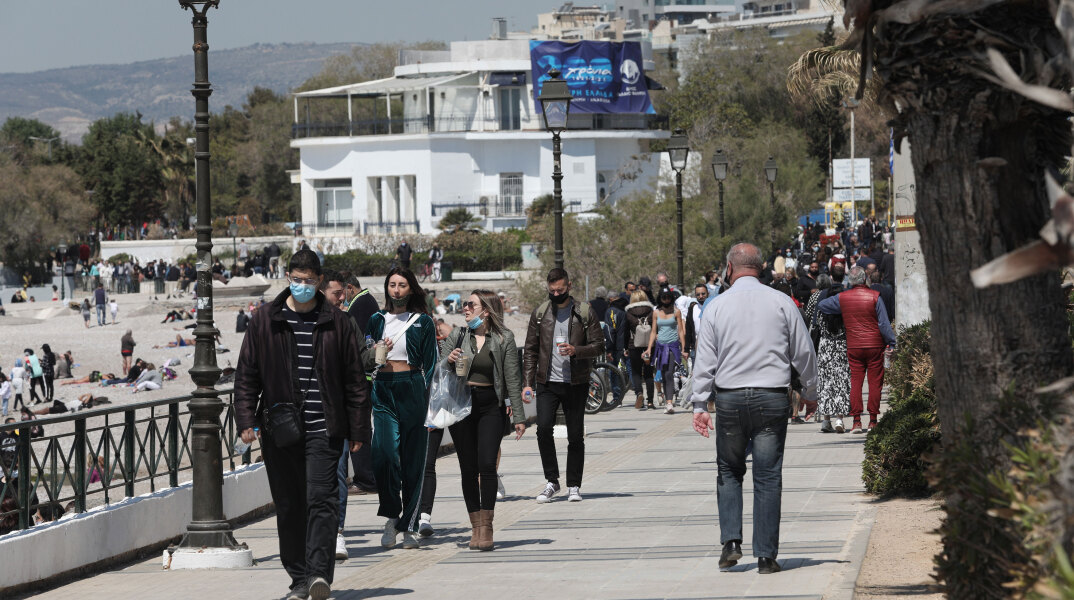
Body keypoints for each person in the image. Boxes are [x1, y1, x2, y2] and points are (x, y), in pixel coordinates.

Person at [234, 247, 370, 600]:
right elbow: (247, 373)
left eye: (309, 281)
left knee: (321, 501)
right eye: (296, 280)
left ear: (320, 281)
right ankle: (298, 577)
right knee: (290, 503)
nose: (302, 286)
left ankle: (318, 575)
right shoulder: (265, 319)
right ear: (288, 278)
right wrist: (246, 417)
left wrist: (358, 428)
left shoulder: (338, 322)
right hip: (281, 429)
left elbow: (355, 380)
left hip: (326, 429)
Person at [690, 243, 818, 574]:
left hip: (730, 399)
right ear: (760, 268)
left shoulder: (716, 306)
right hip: (772, 398)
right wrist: (810, 392)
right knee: (768, 474)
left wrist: (699, 403)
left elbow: (705, 360)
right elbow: (803, 352)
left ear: (730, 269)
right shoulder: (782, 303)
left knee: (729, 470)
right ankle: (766, 556)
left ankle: (731, 542)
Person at [441, 290, 528, 550]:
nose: (465, 308)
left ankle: (488, 526)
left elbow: (513, 377)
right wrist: (449, 359)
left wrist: (519, 417)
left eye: (471, 305)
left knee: (487, 465)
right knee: (468, 468)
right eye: (465, 304)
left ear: (486, 311)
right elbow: (439, 366)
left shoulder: (504, 338)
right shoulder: (458, 335)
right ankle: (475, 527)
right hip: (462, 405)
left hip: (491, 405)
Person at [364, 267, 437, 549]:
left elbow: (431, 365)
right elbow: (366, 356)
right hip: (383, 387)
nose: (396, 290)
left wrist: (429, 403)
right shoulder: (375, 319)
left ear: (411, 289)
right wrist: (377, 351)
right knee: (383, 454)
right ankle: (391, 516)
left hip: (412, 387)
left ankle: (409, 525)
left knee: (413, 459)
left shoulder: (423, 322)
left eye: (402, 285)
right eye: (392, 284)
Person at [522, 268, 604, 504]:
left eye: (560, 289)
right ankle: (552, 481)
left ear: (569, 285)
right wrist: (527, 383)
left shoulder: (584, 312)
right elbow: (530, 350)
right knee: (542, 429)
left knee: (575, 435)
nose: (556, 293)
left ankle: (574, 485)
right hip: (547, 382)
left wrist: (576, 350)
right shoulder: (540, 313)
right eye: (552, 290)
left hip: (576, 382)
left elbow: (599, 345)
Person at [818, 265, 896, 433]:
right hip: (875, 345)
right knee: (875, 383)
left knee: (856, 382)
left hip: (854, 345)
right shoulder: (875, 297)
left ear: (850, 281)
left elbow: (822, 305)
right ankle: (873, 420)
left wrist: (842, 310)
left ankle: (856, 421)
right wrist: (891, 342)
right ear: (864, 279)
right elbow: (883, 324)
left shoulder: (842, 298)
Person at [806, 271, 851, 433]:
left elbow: (816, 324)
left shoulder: (823, 309)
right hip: (841, 347)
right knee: (841, 383)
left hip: (825, 348)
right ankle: (839, 418)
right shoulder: (845, 313)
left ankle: (825, 420)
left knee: (825, 383)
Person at [645, 289, 686, 414]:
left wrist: (684, 348)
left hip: (673, 346)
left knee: (669, 373)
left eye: (668, 297)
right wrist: (649, 348)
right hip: (660, 347)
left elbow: (680, 331)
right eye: (664, 298)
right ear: (660, 299)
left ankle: (669, 402)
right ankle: (668, 398)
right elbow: (653, 331)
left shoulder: (676, 312)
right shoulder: (656, 312)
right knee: (663, 374)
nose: (666, 300)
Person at [625, 290, 656, 409]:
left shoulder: (628, 313)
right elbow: (655, 329)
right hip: (649, 346)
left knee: (636, 372)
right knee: (649, 372)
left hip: (634, 345)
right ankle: (650, 401)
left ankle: (639, 394)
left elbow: (625, 332)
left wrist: (625, 347)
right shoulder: (651, 311)